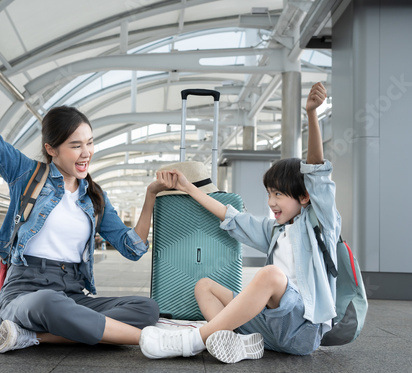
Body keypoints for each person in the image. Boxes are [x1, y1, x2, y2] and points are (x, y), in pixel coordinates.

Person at [0, 22, 175, 353]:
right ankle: (155, 339)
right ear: (51, 148)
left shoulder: (94, 197)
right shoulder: (25, 173)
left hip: (73, 292)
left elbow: (133, 249)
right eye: (75, 145)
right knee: (48, 304)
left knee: (146, 308)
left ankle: (35, 337)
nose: (86, 152)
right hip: (26, 293)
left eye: (89, 143)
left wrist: (150, 196)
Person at [140, 82, 340, 363]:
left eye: (279, 194)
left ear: (305, 197)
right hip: (268, 332)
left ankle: (194, 340)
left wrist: (311, 115)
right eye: (269, 194)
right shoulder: (275, 231)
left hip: (301, 329)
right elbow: (229, 215)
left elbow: (317, 174)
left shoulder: (320, 222)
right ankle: (235, 343)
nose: (271, 202)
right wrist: (189, 187)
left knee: (270, 274)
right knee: (204, 286)